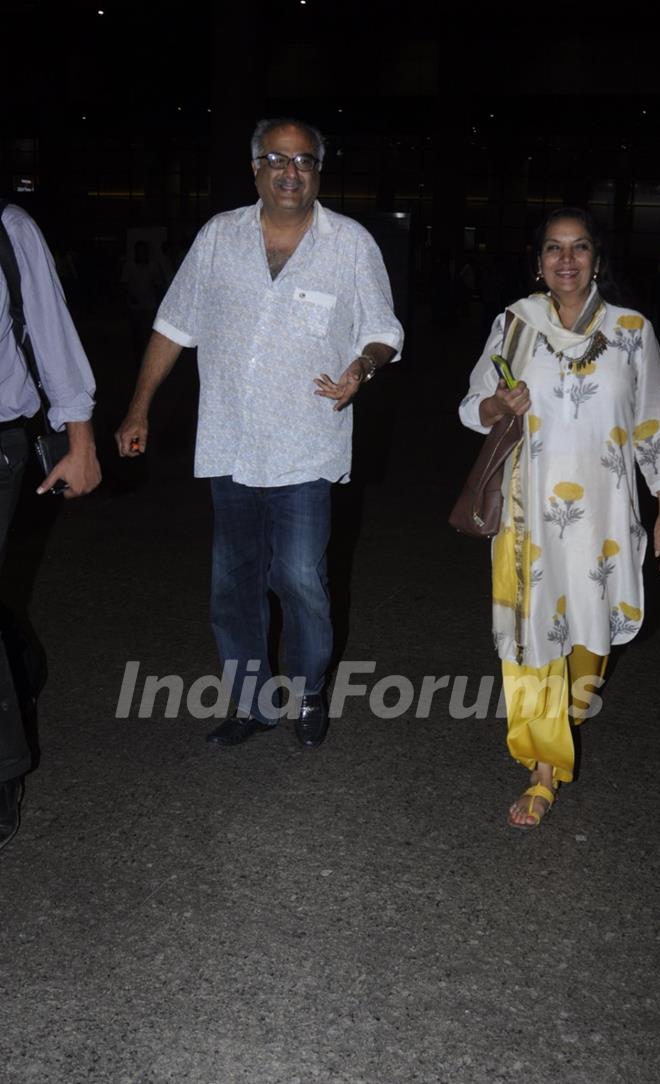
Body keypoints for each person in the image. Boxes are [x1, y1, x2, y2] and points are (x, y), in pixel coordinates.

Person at [115, 117, 403, 749]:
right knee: (233, 583)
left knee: (301, 577)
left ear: (318, 171)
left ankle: (307, 693)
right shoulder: (219, 237)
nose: (290, 171)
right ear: (256, 169)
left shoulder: (350, 244)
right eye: (277, 159)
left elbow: (385, 329)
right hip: (231, 443)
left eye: (303, 161)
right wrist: (139, 407)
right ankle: (251, 704)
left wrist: (364, 366)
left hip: (306, 443)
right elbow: (172, 325)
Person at [459, 207, 660, 829]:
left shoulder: (632, 331)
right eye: (554, 249)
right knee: (532, 639)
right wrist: (494, 404)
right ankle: (541, 767)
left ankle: (570, 711)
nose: (566, 259)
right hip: (529, 516)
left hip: (604, 518)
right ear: (538, 262)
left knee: (590, 639)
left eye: (579, 248)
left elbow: (654, 420)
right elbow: (468, 408)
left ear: (596, 260)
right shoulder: (514, 325)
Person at [0, 201, 101, 852]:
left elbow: (51, 334)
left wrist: (80, 439)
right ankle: (20, 662)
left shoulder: (8, 227)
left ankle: (4, 768)